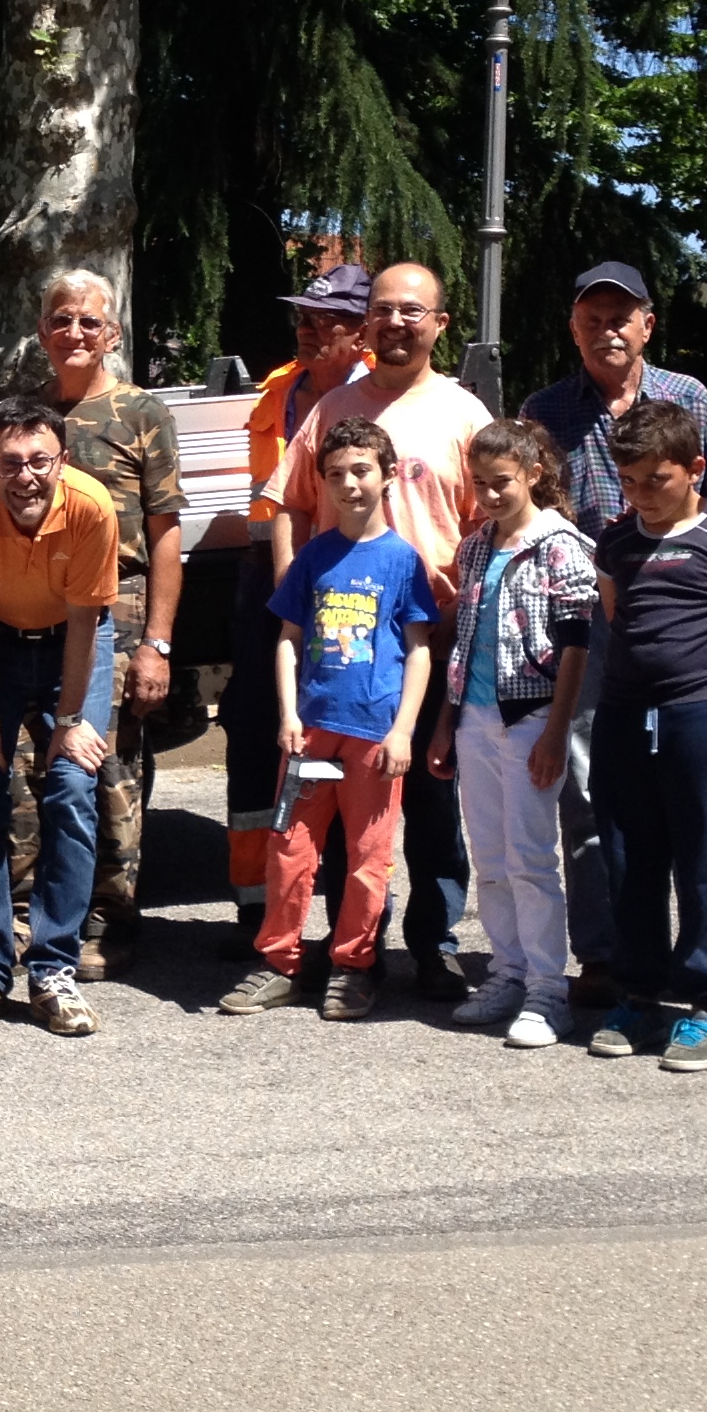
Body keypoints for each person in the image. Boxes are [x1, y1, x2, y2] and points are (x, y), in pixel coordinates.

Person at [518, 262, 707, 1017]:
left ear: (647, 325)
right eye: (592, 320)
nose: (607, 331)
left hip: (685, 621)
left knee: (703, 810)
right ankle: (609, 956)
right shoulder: (544, 410)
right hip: (589, 617)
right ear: (575, 330)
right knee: (593, 798)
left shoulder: (690, 399)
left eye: (620, 318)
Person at [255, 262, 494, 992]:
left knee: (431, 801)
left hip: (432, 640)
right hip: (343, 651)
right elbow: (291, 504)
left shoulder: (464, 415)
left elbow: (489, 523)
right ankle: (350, 954)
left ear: (439, 325)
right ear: (367, 323)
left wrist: (469, 621)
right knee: (343, 818)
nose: (395, 322)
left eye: (412, 311)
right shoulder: (334, 408)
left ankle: (434, 943)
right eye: (383, 310)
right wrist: (297, 597)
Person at [584, 400, 707, 1074]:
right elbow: (620, 622)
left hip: (701, 719)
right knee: (628, 861)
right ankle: (639, 995)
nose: (641, 495)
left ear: (695, 468)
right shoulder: (615, 542)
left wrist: (700, 674)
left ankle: (706, 1005)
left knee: (705, 862)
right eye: (628, 481)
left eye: (656, 480)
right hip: (622, 718)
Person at [226, 418, 439, 1018]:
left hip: (374, 736)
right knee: (290, 849)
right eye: (336, 473)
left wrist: (403, 730)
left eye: (361, 471)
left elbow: (419, 650)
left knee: (369, 857)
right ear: (321, 482)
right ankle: (279, 962)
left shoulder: (403, 561)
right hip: (311, 735)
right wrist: (289, 715)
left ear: (388, 476)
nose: (349, 484)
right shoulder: (314, 557)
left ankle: (354, 965)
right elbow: (288, 640)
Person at [0, 396, 117, 1038]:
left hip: (74, 641)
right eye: (8, 463)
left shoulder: (91, 506)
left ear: (62, 461)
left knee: (72, 785)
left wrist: (70, 721)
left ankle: (54, 968)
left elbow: (86, 621)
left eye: (40, 461)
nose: (25, 477)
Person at [33, 268, 184, 981]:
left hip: (117, 605)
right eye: (62, 319)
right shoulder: (31, 414)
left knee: (113, 766)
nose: (74, 332)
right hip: (40, 605)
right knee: (38, 764)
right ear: (42, 331)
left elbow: (164, 536)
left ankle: (109, 919)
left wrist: (156, 643)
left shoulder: (141, 413)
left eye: (89, 321)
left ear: (112, 334)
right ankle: (37, 914)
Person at [429, 419, 595, 1048]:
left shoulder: (561, 545)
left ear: (532, 474)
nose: (490, 495)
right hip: (475, 720)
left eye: (501, 482)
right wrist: (446, 723)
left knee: (530, 858)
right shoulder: (476, 546)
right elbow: (463, 641)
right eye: (478, 483)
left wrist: (556, 732)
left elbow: (577, 645)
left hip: (531, 721)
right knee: (491, 858)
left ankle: (549, 991)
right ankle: (507, 971)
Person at [220, 263, 371, 946]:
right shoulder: (277, 389)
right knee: (255, 734)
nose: (308, 330)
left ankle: (348, 925)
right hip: (269, 580)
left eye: (326, 321)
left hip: (349, 585)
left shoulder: (376, 398)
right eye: (304, 318)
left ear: (360, 332)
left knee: (346, 745)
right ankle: (258, 914)